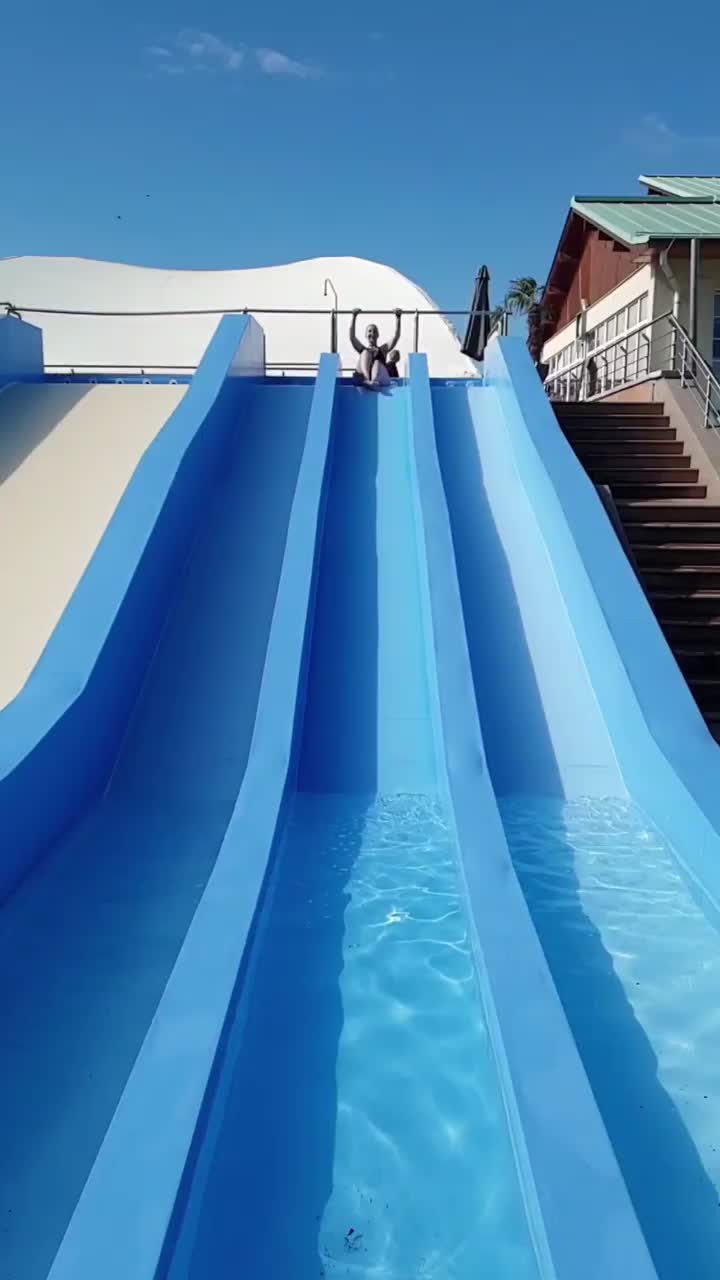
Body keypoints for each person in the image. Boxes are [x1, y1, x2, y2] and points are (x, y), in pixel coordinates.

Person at [350, 309, 402, 388]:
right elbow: (352, 337)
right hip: (365, 378)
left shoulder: (383, 349)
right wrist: (354, 316)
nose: (372, 333)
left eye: (374, 331)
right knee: (365, 352)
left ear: (378, 335)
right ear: (366, 335)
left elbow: (396, 337)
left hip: (380, 380)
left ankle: (373, 381)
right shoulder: (363, 350)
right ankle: (367, 379)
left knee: (377, 362)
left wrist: (398, 317)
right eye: (369, 331)